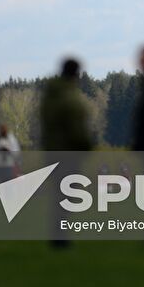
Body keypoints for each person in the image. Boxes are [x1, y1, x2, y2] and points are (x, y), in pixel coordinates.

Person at [40, 57, 93, 248]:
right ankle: (60, 237)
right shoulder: (69, 99)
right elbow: (77, 129)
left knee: (58, 195)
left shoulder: (49, 96)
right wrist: (87, 146)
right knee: (67, 197)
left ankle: (57, 235)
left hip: (52, 151)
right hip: (68, 152)